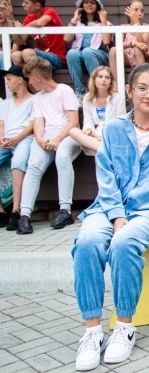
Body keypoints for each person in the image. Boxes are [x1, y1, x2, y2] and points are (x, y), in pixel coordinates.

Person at [71, 63, 149, 371]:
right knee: (87, 242)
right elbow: (105, 174)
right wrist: (116, 215)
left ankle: (125, 326)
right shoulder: (112, 128)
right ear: (129, 90)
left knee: (123, 243)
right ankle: (92, 331)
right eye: (142, 88)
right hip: (108, 206)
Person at [18, 57, 80, 235]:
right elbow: (39, 121)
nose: (29, 82)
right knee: (34, 164)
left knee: (62, 157)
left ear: (38, 77)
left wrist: (58, 139)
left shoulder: (64, 90)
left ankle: (65, 211)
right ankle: (24, 215)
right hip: (46, 136)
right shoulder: (37, 98)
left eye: (30, 78)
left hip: (68, 134)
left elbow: (73, 121)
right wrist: (39, 139)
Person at [0, 65, 34, 231]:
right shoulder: (6, 103)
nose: (6, 83)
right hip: (6, 140)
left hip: (24, 139)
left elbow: (33, 125)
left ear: (20, 80)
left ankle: (16, 210)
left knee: (18, 162)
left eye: (9, 79)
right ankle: (1, 212)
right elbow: (1, 125)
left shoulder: (34, 100)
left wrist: (16, 139)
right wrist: (1, 137)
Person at [69, 66, 126, 156]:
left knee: (98, 154)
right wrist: (89, 130)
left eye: (107, 78)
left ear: (110, 82)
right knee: (73, 131)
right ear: (94, 80)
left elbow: (120, 124)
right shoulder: (87, 98)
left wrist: (103, 137)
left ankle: (103, 149)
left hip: (112, 135)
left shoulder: (117, 98)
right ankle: (104, 149)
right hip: (95, 136)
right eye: (100, 77)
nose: (103, 80)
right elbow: (88, 121)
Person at [64, 0, 113, 105]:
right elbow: (67, 38)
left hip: (100, 55)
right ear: (82, 5)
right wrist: (74, 19)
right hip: (81, 56)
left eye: (92, 2)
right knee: (72, 53)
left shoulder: (105, 23)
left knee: (87, 52)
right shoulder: (77, 24)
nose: (89, 4)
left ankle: (95, 89)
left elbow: (106, 41)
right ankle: (80, 91)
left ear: (97, 6)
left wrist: (103, 21)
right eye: (86, 2)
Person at [109, 0, 149, 86]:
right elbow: (118, 44)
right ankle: (116, 86)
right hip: (128, 57)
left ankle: (141, 84)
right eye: (136, 10)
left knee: (137, 49)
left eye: (142, 11)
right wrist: (133, 43)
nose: (139, 13)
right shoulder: (123, 27)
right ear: (128, 11)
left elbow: (142, 44)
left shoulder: (147, 27)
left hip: (144, 56)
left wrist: (136, 24)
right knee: (113, 50)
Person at [9, 0, 67, 70]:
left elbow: (40, 23)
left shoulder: (50, 11)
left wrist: (24, 28)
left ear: (37, 6)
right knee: (15, 55)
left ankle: (35, 75)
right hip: (37, 57)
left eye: (26, 2)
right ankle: (29, 76)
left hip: (57, 58)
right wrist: (11, 20)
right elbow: (20, 42)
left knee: (27, 53)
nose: (22, 5)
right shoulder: (29, 18)